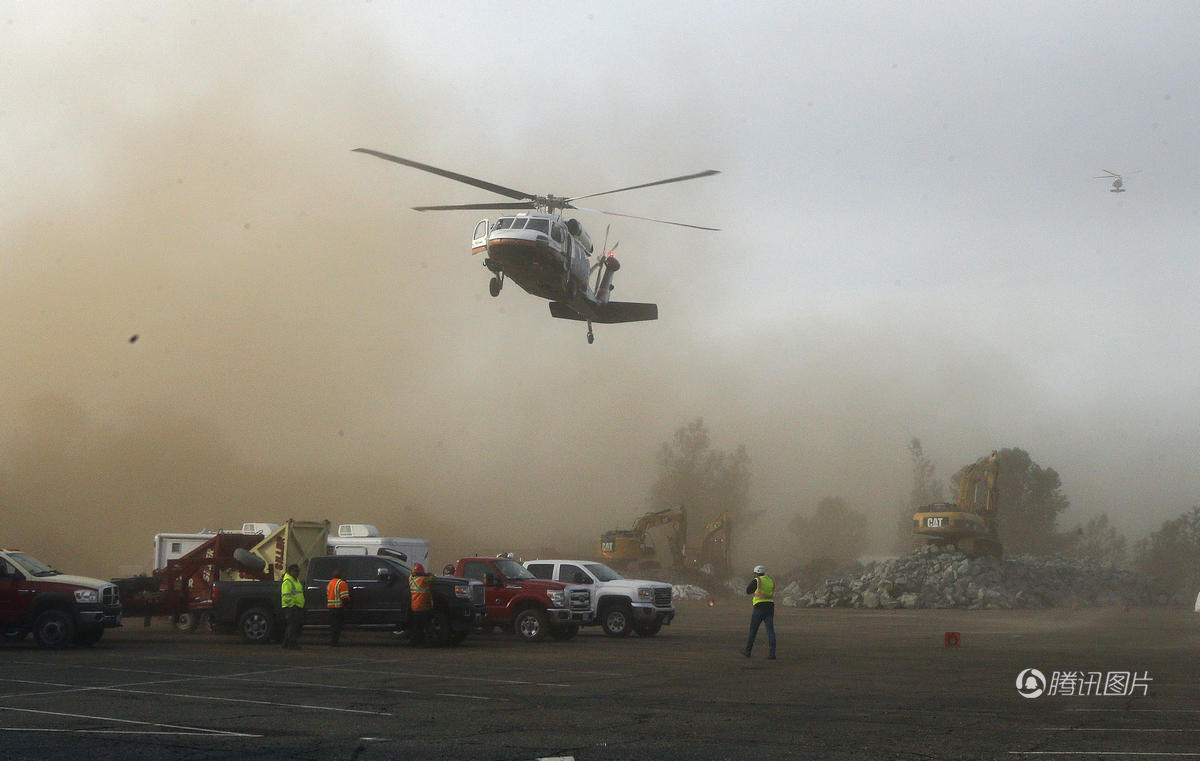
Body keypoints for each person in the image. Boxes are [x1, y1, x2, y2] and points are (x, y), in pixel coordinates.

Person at [742, 564, 776, 659]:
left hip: (759, 607)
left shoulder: (757, 580)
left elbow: (748, 591)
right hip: (770, 606)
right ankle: (772, 653)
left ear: (756, 573)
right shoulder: (771, 580)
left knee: (753, 630)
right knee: (770, 631)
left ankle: (748, 652)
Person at [280, 563, 305, 649]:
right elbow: (286, 596)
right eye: (295, 571)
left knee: (292, 626)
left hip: (297, 606)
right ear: (290, 571)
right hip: (290, 607)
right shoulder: (288, 581)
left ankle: (285, 644)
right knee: (293, 627)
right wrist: (292, 605)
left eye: (298, 571)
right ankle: (291, 644)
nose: (297, 573)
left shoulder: (296, 580)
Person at [408, 562, 433, 646]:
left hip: (414, 607)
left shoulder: (411, 579)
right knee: (425, 626)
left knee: (416, 626)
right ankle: (425, 642)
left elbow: (411, 574)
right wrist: (428, 574)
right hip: (424, 607)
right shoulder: (424, 580)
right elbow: (433, 578)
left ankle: (414, 642)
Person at [326, 567, 350, 646]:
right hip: (338, 608)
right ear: (341, 575)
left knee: (333, 626)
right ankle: (335, 642)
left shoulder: (330, 583)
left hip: (330, 607)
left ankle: (333, 642)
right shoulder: (342, 583)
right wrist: (347, 607)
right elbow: (344, 597)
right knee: (337, 626)